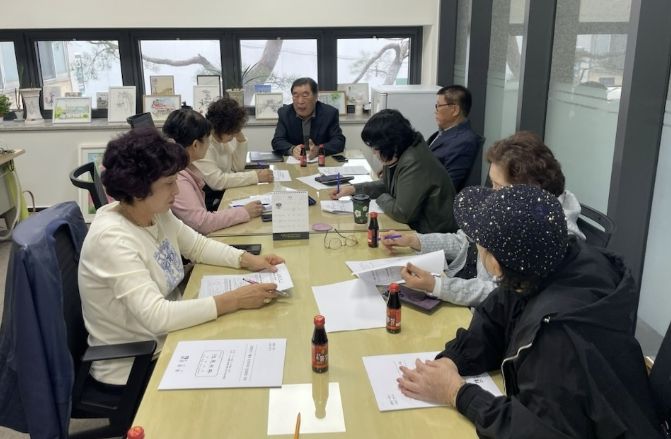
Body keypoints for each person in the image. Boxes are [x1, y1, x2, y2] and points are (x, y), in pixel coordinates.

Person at [397, 184, 663, 439]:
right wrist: (454, 360)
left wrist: (457, 393)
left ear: (494, 265)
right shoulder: (550, 261)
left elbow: (539, 431)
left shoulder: (557, 339)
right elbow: (497, 314)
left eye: (479, 243)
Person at [78, 128, 285, 386]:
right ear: (138, 189)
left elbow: (197, 246)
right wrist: (235, 300)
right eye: (169, 184)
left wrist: (247, 259)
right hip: (135, 366)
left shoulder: (154, 212)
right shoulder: (112, 240)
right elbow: (157, 316)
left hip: (171, 337)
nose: (176, 190)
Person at [382, 131, 585, 306]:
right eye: (492, 184)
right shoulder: (514, 209)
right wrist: (414, 240)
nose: (491, 193)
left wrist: (437, 286)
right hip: (457, 286)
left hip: (475, 309)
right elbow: (463, 240)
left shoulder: (549, 237)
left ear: (527, 190)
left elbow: (504, 295)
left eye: (498, 186)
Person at [330, 109, 457, 234]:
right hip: (416, 227)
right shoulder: (398, 151)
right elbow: (388, 184)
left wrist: (381, 197)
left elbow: (401, 213)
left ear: (390, 144)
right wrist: (353, 189)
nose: (373, 152)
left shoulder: (414, 162)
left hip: (431, 233)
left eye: (376, 147)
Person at [162, 107, 263, 235]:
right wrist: (244, 212)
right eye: (207, 139)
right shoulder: (178, 178)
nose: (209, 143)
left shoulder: (183, 167)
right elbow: (202, 223)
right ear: (195, 145)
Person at [193, 97, 273, 210]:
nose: (234, 135)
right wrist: (255, 176)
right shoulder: (204, 144)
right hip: (209, 201)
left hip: (223, 193)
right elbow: (217, 182)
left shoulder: (222, 139)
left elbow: (237, 167)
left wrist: (241, 140)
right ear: (220, 127)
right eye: (231, 132)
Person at [271, 77, 345, 159]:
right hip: (295, 162)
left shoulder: (329, 113)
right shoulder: (284, 113)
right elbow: (277, 141)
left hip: (320, 162)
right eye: (295, 96)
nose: (300, 101)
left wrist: (319, 150)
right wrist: (292, 150)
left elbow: (339, 141)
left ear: (316, 96)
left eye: (305, 95)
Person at [426, 85, 482, 191]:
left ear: (455, 110)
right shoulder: (443, 132)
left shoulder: (464, 142)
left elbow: (447, 187)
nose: (435, 111)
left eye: (438, 106)